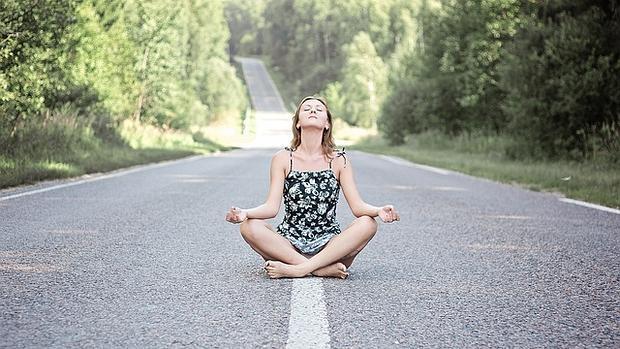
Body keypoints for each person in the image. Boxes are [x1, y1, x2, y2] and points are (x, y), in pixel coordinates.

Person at [225, 96, 400, 279]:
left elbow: (358, 207)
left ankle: (297, 269)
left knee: (368, 223)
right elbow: (271, 208)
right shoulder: (283, 158)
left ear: (327, 124)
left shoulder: (339, 160)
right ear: (298, 123)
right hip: (288, 245)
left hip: (330, 247)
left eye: (319, 109)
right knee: (248, 226)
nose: (313, 110)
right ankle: (319, 269)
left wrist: (379, 210)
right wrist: (245, 213)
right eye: (307, 108)